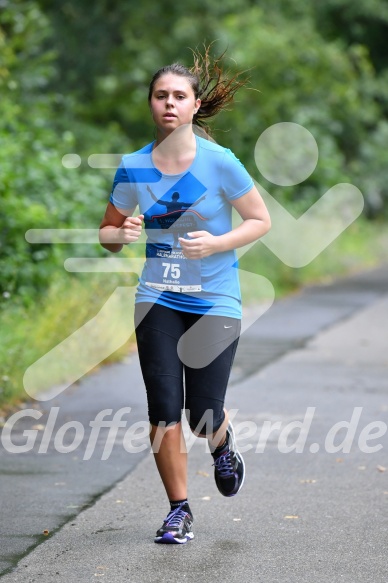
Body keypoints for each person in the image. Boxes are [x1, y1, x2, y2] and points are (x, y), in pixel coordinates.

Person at [99, 47, 271, 544]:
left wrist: (218, 243)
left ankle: (222, 444)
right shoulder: (133, 167)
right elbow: (107, 234)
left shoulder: (220, 163)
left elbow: (261, 220)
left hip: (215, 300)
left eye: (179, 96)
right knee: (162, 410)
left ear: (195, 106)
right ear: (150, 104)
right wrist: (122, 235)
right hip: (157, 298)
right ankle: (179, 510)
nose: (169, 103)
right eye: (161, 96)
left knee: (202, 415)